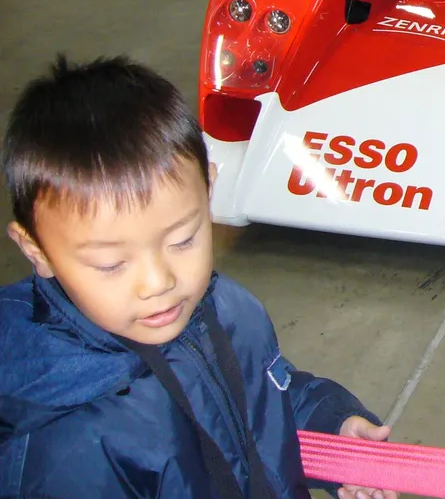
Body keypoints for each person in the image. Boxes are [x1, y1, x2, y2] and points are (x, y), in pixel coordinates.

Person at [0, 55, 397, 499]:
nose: (158, 282)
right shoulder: (64, 449)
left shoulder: (230, 311)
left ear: (208, 190)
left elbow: (265, 400)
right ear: (37, 251)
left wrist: (333, 426)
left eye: (182, 239)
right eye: (111, 264)